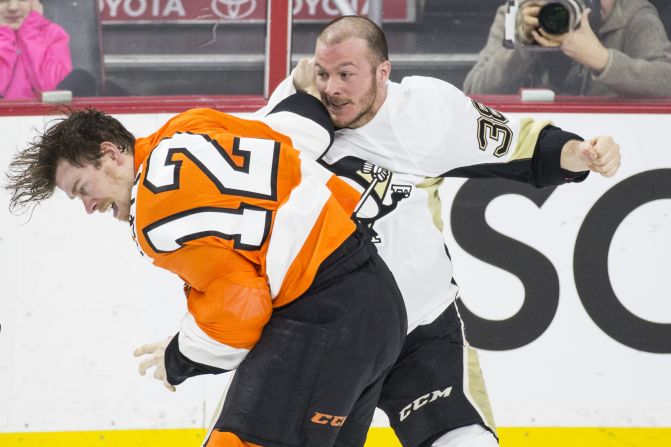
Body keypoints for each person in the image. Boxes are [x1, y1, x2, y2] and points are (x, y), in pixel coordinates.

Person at [261, 15, 621, 447]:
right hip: (318, 333)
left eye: (346, 74)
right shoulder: (294, 110)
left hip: (419, 328)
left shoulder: (423, 112)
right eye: (323, 73)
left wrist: (581, 153)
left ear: (383, 72)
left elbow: (519, 144)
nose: (332, 88)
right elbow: (239, 204)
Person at [5, 94, 408, 447]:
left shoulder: (153, 218)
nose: (88, 207)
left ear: (111, 153)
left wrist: (180, 356)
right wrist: (300, 94)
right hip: (379, 305)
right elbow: (296, 132)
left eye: (83, 189)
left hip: (325, 320)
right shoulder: (190, 125)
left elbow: (240, 311)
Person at [463, 0, 671, 97]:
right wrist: (521, 43)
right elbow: (475, 93)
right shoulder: (520, 12)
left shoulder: (631, 14)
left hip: (610, 141)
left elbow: (666, 80)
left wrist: (603, 61)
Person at [0, 0, 73, 99]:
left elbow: (53, 93)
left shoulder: (54, 34)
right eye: (3, 0)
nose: (13, 7)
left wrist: (30, 31)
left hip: (42, 113)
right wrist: (3, 35)